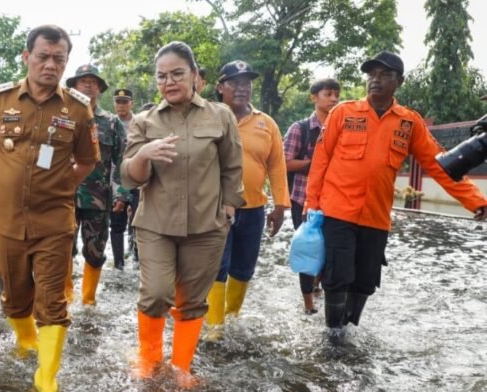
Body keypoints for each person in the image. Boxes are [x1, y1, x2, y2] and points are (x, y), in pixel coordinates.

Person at [306, 50, 487, 333]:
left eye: (384, 75)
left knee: (365, 280)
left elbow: (439, 166)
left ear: (399, 82)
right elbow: (321, 161)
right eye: (371, 75)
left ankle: (350, 331)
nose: (375, 81)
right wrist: (311, 206)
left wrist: (476, 201)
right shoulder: (344, 112)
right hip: (337, 210)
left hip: (375, 217)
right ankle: (333, 336)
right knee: (337, 275)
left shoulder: (409, 122)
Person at [0, 25, 99, 392]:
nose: (50, 65)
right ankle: (26, 342)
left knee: (52, 302)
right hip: (7, 220)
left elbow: (87, 161)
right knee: (15, 297)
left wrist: (59, 186)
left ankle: (46, 376)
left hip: (54, 222)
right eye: (42, 56)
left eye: (58, 59)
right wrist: (12, 184)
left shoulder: (78, 108)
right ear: (26, 57)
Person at [120, 41, 244, 384]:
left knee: (191, 300)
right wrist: (145, 154)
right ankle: (148, 362)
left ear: (195, 76)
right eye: (162, 76)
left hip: (206, 225)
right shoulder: (145, 121)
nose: (169, 82)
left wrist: (229, 209)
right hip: (156, 224)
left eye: (177, 73)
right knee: (156, 293)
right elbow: (129, 176)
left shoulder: (220, 115)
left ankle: (181, 368)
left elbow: (232, 167)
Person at [204, 60, 290, 340]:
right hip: (216, 208)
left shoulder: (266, 123)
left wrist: (280, 206)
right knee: (217, 265)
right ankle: (215, 327)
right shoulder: (208, 117)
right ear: (220, 87)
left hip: (253, 209)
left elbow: (277, 166)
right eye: (234, 82)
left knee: (243, 267)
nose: (242, 88)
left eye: (247, 83)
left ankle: (232, 317)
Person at [64, 65, 127, 303]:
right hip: (63, 195)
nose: (88, 85)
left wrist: (122, 194)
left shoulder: (112, 123)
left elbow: (122, 161)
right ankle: (65, 299)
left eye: (93, 81)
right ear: (74, 87)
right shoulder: (61, 117)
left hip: (98, 198)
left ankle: (88, 300)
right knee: (62, 249)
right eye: (83, 81)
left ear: (99, 88)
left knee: (95, 250)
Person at [283, 78, 340, 315]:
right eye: (328, 94)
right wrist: (315, 163)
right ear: (314, 97)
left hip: (335, 202)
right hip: (303, 200)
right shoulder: (300, 129)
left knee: (332, 251)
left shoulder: (343, 128)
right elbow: (284, 163)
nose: (334, 99)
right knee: (308, 249)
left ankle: (319, 288)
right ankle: (308, 305)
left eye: (337, 94)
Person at [110, 88, 134, 270]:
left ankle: (139, 259)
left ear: (131, 104)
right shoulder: (109, 123)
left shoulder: (141, 123)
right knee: (117, 222)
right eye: (118, 102)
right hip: (115, 180)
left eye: (125, 102)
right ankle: (118, 262)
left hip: (137, 178)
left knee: (140, 222)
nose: (121, 105)